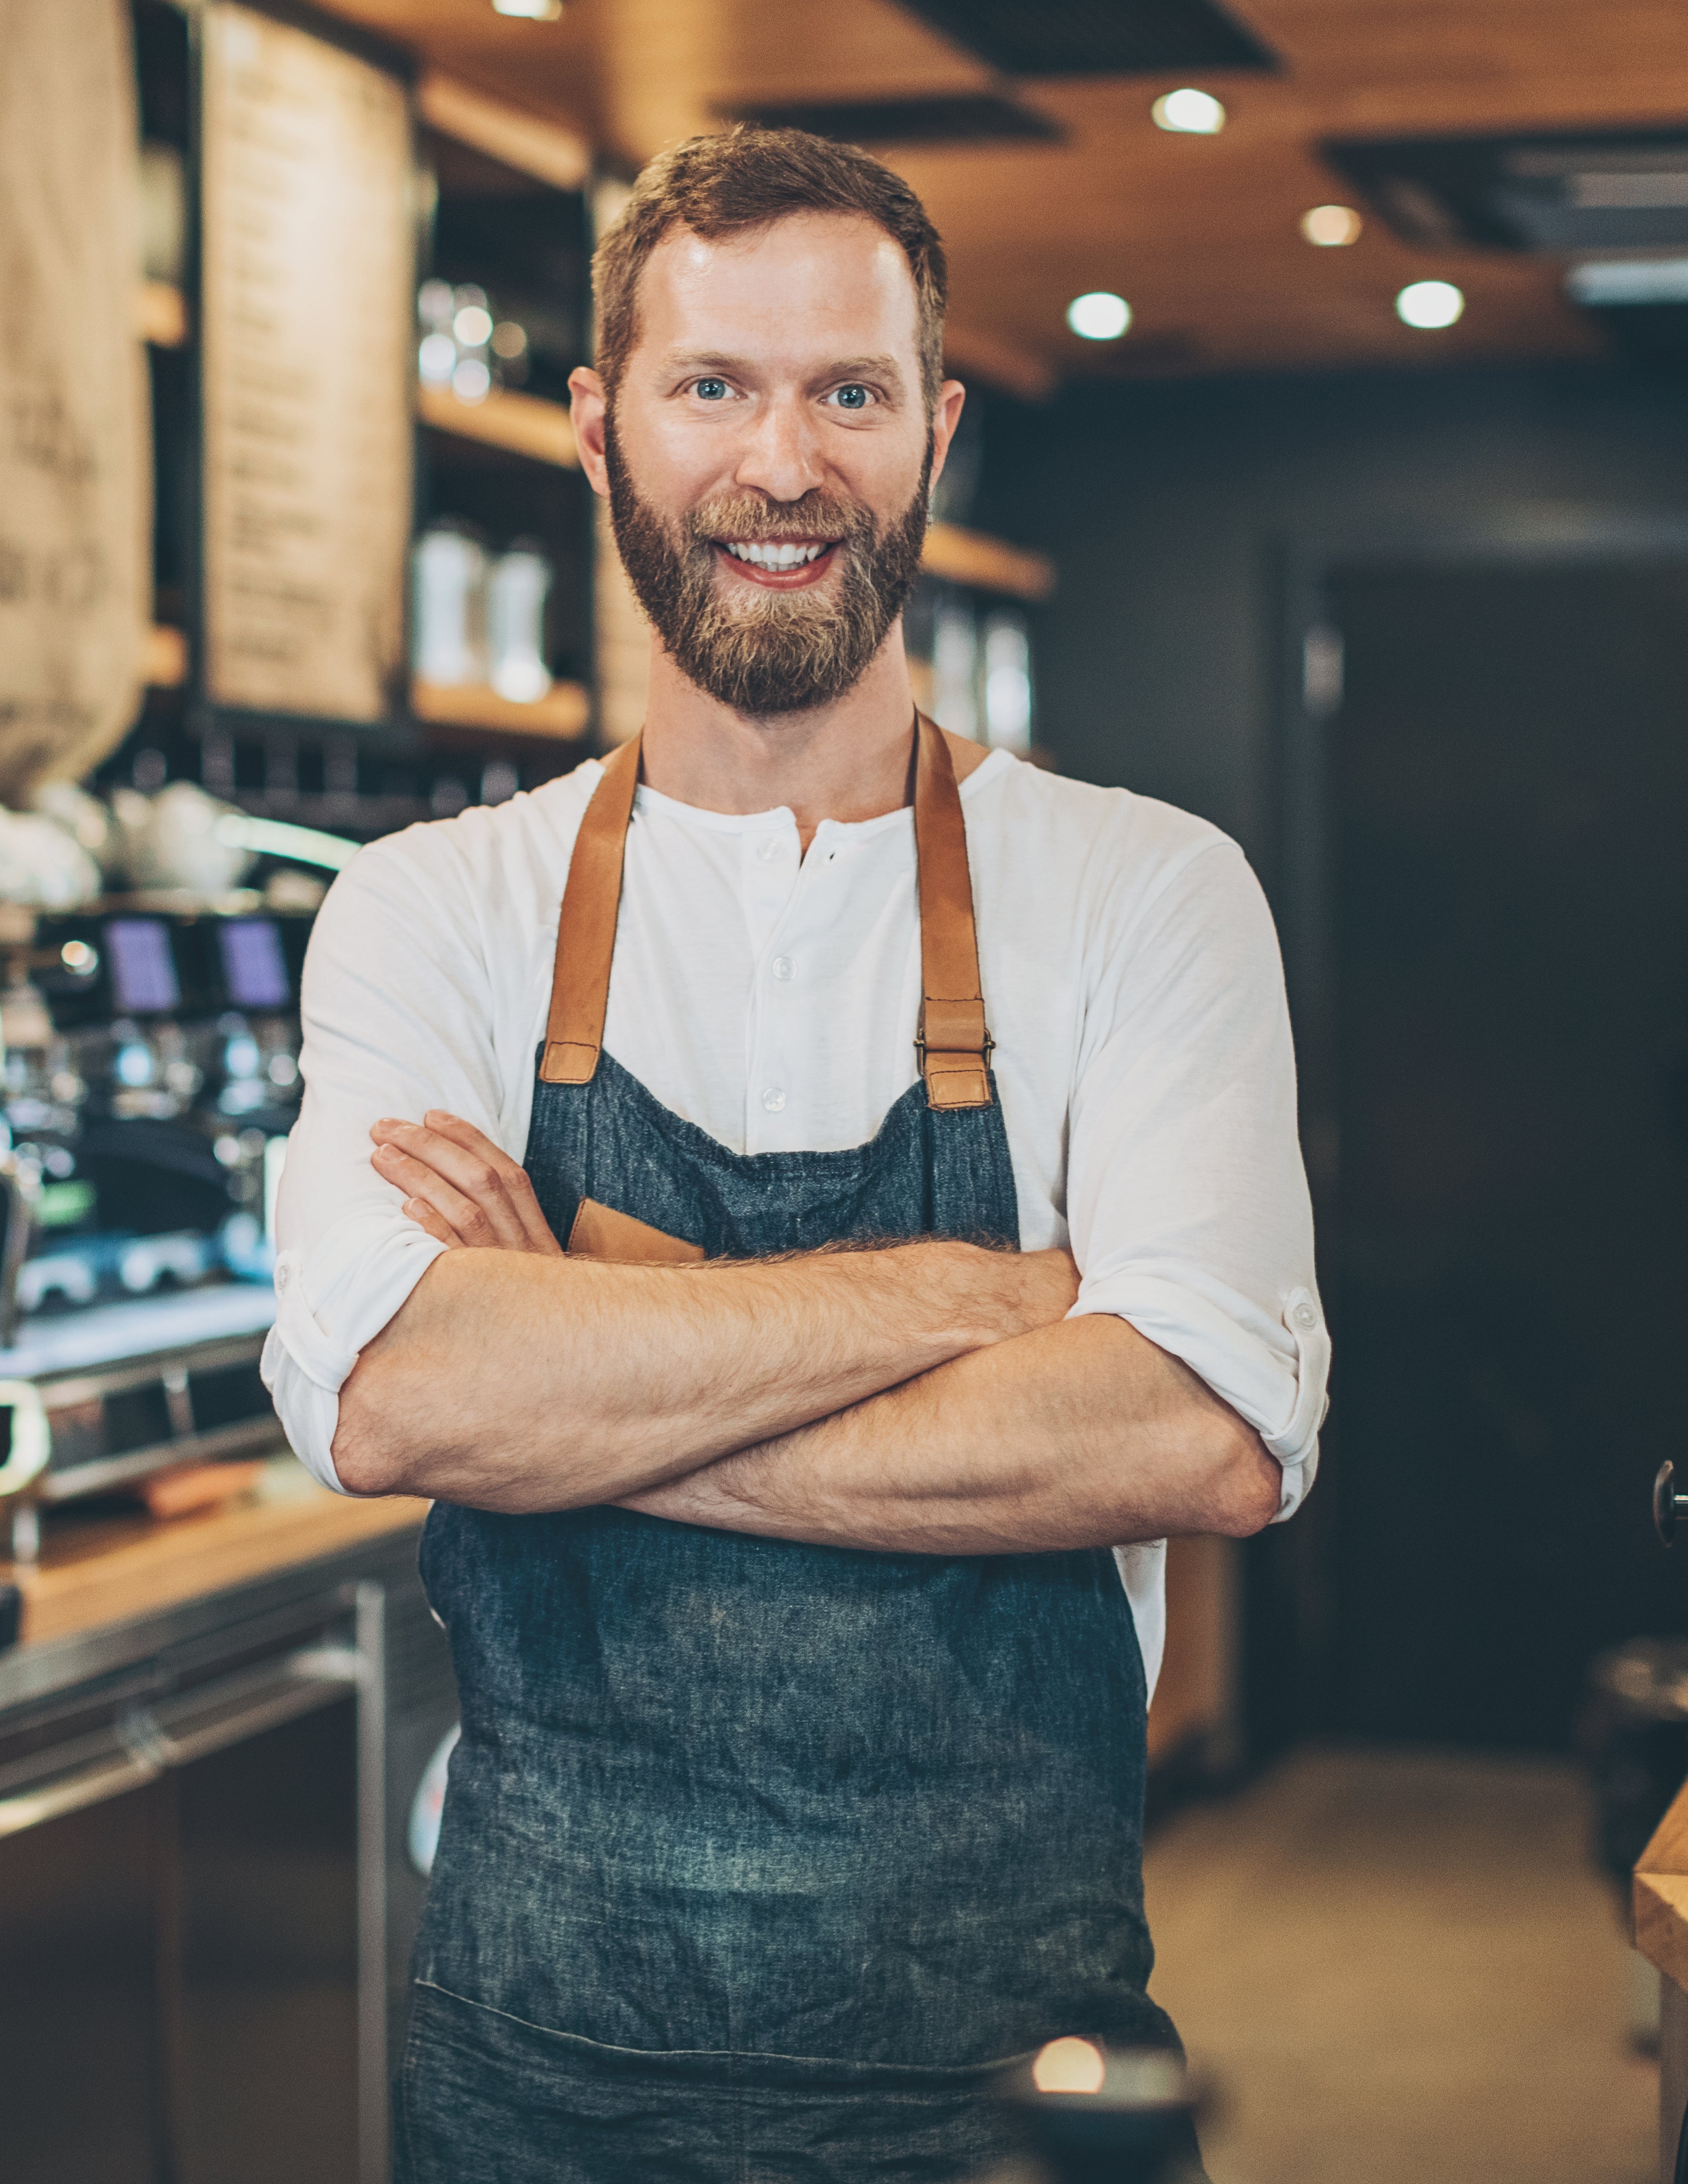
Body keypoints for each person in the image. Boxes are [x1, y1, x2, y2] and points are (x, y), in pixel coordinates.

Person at [261, 126, 1329, 2182]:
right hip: (534, 2090)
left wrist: (591, 1333)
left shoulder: (1144, 889)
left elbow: (1202, 1431)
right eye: (712, 389)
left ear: (935, 430)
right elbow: (400, 1396)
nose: (782, 464)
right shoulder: (426, 906)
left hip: (1008, 2093)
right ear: (600, 434)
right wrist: (984, 1299)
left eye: (847, 392)